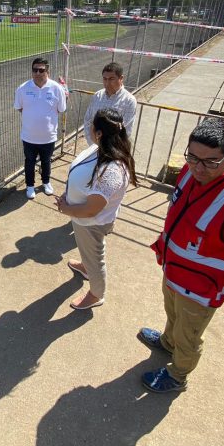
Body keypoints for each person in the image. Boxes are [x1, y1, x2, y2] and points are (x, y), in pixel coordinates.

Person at [139, 117, 224, 393]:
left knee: (190, 335)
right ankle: (167, 342)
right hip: (174, 271)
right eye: (193, 157)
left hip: (199, 289)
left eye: (210, 161)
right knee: (173, 315)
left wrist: (210, 281)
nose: (198, 167)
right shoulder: (191, 171)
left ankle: (177, 375)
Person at [54, 109, 137, 310]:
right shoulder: (102, 147)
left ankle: (96, 294)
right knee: (87, 250)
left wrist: (66, 209)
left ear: (99, 132)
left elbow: (92, 209)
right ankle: (86, 266)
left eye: (92, 125)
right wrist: (69, 195)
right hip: (81, 217)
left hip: (91, 222)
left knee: (95, 256)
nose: (89, 128)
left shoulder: (112, 170)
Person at [14, 57, 67, 199]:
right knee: (29, 161)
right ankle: (30, 185)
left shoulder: (57, 88)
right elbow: (19, 108)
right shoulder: (23, 88)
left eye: (41, 70)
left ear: (47, 71)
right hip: (29, 136)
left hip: (48, 136)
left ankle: (46, 182)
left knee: (46, 161)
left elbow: (61, 109)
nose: (37, 73)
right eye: (35, 70)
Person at [83, 62, 137, 145]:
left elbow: (126, 130)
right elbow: (88, 120)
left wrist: (108, 149)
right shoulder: (97, 96)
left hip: (114, 150)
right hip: (94, 146)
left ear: (121, 78)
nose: (107, 83)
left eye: (111, 79)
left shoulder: (129, 100)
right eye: (105, 79)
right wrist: (93, 143)